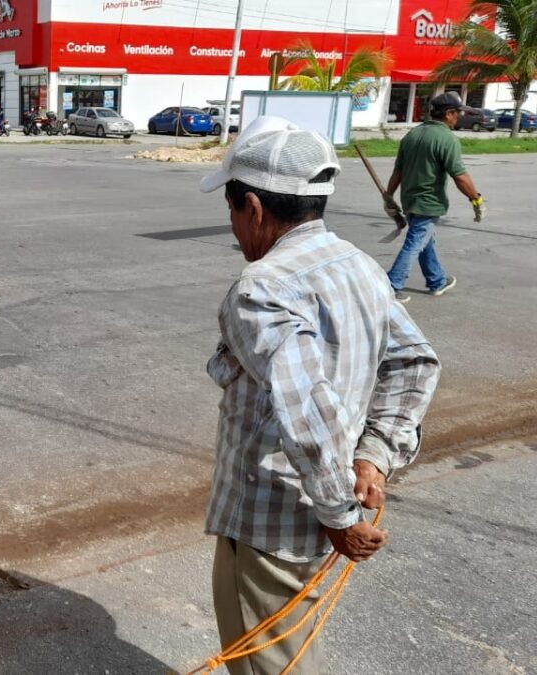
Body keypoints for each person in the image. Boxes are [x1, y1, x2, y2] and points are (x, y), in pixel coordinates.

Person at [199, 117, 441, 673]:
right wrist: (372, 457)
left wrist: (337, 512)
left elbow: (306, 405)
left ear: (254, 207)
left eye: (234, 211)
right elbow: (414, 362)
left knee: (272, 664)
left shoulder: (260, 288)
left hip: (272, 522)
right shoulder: (357, 265)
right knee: (292, 652)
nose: (235, 228)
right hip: (324, 504)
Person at [383, 91, 485, 303]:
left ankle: (436, 280)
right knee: (415, 242)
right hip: (428, 202)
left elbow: (398, 172)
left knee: (424, 240)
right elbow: (460, 176)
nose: (459, 117)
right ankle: (391, 285)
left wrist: (389, 195)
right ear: (448, 114)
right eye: (457, 113)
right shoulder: (446, 139)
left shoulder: (412, 135)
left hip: (410, 199)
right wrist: (476, 200)